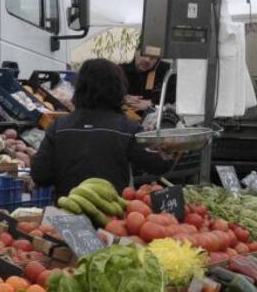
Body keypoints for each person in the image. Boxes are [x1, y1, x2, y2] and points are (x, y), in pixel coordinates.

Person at [32, 58, 172, 195]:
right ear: (118, 88)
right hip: (112, 208)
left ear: (79, 87)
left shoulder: (58, 126)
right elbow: (157, 165)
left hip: (67, 207)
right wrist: (172, 148)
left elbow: (40, 174)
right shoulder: (128, 128)